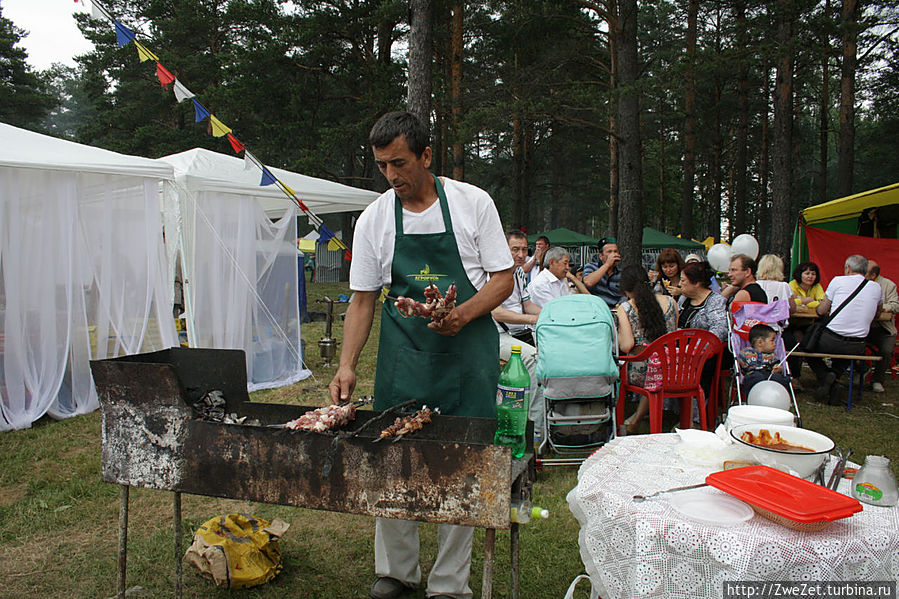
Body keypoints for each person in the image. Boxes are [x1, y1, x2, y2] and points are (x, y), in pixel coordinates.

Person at [328, 111, 514, 599]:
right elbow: (364, 298)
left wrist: (464, 314)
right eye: (382, 165)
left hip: (466, 354)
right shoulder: (375, 218)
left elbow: (502, 279)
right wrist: (347, 363)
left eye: (400, 163)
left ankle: (449, 584)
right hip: (403, 357)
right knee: (392, 456)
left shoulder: (473, 204)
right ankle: (396, 572)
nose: (392, 176)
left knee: (464, 459)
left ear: (426, 155)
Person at [808, 254, 882, 404]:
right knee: (846, 353)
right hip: (857, 345)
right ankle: (835, 376)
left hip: (831, 340)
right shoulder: (876, 287)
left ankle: (827, 376)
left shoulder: (838, 281)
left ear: (848, 268)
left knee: (807, 347)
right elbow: (878, 313)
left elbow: (822, 311)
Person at [492, 230, 544, 435]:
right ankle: (535, 432)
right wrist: (532, 319)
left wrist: (552, 314)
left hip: (520, 334)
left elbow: (528, 305)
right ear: (504, 250)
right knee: (534, 359)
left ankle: (557, 423)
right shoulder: (493, 274)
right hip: (496, 336)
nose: (521, 254)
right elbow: (497, 313)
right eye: (515, 249)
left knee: (555, 352)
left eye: (524, 249)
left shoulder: (520, 272)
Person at [616, 265, 678, 433]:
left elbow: (627, 345)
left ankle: (627, 421)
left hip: (642, 372)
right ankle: (637, 419)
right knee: (655, 364)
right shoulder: (671, 302)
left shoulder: (626, 308)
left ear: (625, 288)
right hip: (675, 371)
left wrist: (619, 331)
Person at [784, 261, 826, 389]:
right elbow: (789, 302)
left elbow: (821, 303)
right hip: (791, 324)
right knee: (793, 342)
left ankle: (824, 376)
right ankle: (795, 377)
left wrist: (804, 302)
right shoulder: (792, 285)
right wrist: (806, 300)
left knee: (814, 343)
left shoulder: (817, 287)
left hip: (808, 324)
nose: (810, 276)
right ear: (800, 274)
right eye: (807, 273)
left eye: (813, 274)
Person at [864, 260, 899, 393]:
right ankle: (859, 371)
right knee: (848, 341)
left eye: (865, 271)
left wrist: (878, 306)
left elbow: (895, 305)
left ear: (873, 275)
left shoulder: (888, 285)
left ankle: (877, 379)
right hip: (862, 326)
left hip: (883, 328)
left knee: (886, 350)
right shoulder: (857, 282)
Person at [677, 261, 729, 343]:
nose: (679, 284)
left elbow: (720, 329)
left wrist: (697, 347)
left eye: (683, 281)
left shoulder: (715, 301)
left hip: (700, 351)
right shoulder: (684, 298)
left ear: (697, 283)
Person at [738, 323, 791, 394]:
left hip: (769, 375)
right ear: (760, 342)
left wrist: (778, 369)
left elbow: (778, 366)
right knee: (755, 377)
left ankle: (777, 395)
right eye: (772, 340)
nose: (774, 344)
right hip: (753, 375)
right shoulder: (745, 352)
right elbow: (740, 366)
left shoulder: (772, 355)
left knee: (778, 378)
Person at [581, 237, 625, 308]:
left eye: (615, 251)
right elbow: (588, 282)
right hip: (595, 310)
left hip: (614, 311)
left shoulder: (621, 273)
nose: (613, 254)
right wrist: (607, 264)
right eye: (609, 252)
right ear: (601, 256)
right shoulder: (591, 267)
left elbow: (624, 296)